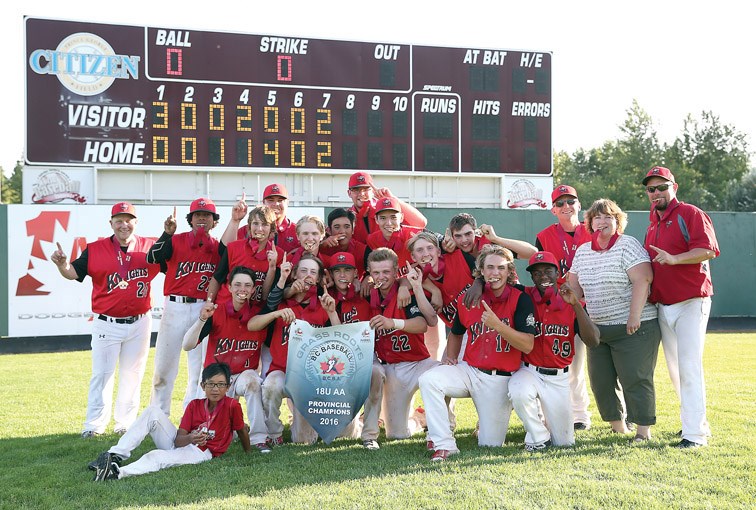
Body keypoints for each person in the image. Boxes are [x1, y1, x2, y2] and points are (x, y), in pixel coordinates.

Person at [51, 202, 160, 438]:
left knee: (133, 374)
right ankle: (93, 425)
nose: (124, 224)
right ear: (110, 223)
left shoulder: (150, 247)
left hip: (140, 321)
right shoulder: (95, 249)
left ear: (136, 222)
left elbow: (173, 266)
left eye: (128, 219)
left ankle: (125, 423)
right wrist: (62, 265)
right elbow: (73, 273)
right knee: (102, 374)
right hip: (107, 322)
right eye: (119, 220)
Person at [419, 244, 536, 461]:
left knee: (490, 444)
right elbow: (456, 331)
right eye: (489, 268)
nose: (495, 273)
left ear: (509, 271)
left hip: (499, 379)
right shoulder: (470, 297)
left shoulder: (521, 298)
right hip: (470, 370)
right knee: (429, 380)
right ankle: (443, 443)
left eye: (500, 268)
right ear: (480, 271)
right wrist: (451, 358)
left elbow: (528, 345)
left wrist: (498, 325)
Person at [568, 199, 661, 442]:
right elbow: (574, 288)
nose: (602, 222)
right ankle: (619, 427)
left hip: (634, 327)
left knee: (635, 378)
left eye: (608, 217)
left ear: (617, 221)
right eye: (596, 218)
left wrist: (634, 316)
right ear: (589, 223)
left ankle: (643, 431)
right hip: (598, 330)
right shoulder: (583, 251)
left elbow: (644, 279)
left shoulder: (627, 245)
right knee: (600, 382)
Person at [642, 165, 720, 448]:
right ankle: (693, 424)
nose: (656, 192)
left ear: (674, 186)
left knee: (688, 366)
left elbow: (709, 250)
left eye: (662, 186)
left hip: (691, 300)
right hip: (664, 304)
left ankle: (695, 435)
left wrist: (675, 259)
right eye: (651, 188)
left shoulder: (690, 213)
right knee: (675, 369)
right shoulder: (653, 221)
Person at [92, 362, 250, 481]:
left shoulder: (231, 405)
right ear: (203, 386)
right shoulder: (194, 405)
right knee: (152, 411)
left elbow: (241, 430)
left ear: (228, 387)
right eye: (211, 384)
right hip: (185, 444)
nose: (216, 389)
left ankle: (117, 473)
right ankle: (114, 455)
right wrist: (190, 438)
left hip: (202, 452)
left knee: (155, 456)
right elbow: (178, 440)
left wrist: (248, 453)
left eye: (221, 385)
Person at [508, 251, 600, 450]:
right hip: (529, 370)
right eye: (537, 272)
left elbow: (593, 340)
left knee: (565, 442)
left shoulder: (571, 301)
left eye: (548, 271)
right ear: (531, 276)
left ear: (557, 273)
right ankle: (538, 436)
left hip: (558, 378)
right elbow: (497, 279)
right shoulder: (524, 296)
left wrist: (576, 305)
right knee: (518, 390)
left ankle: (547, 431)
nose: (543, 277)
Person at [248, 254, 340, 445]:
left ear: (318, 278)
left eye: (313, 272)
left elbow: (340, 339)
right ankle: (274, 434)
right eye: (303, 271)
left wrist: (332, 313)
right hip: (281, 369)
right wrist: (277, 310)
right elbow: (254, 322)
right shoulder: (280, 301)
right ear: (295, 273)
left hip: (311, 374)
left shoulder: (324, 303)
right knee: (271, 386)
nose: (308, 276)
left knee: (304, 441)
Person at [182, 266, 270, 453]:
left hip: (244, 374)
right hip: (218, 378)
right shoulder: (216, 312)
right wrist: (201, 319)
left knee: (253, 383)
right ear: (229, 287)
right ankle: (238, 429)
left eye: (247, 285)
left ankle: (259, 438)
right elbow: (187, 345)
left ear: (254, 289)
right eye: (237, 284)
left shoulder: (259, 315)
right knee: (209, 433)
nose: (242, 289)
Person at [147, 198, 221, 415]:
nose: (201, 218)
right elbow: (152, 258)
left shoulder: (217, 248)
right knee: (163, 369)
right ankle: (159, 417)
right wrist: (167, 234)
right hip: (174, 306)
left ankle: (194, 416)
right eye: (197, 214)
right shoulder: (175, 240)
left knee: (199, 371)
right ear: (190, 218)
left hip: (202, 309)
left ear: (213, 221)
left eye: (206, 215)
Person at [362, 248, 439, 450]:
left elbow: (423, 324)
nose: (381, 277)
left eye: (386, 272)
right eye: (376, 272)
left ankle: (441, 425)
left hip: (418, 363)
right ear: (369, 273)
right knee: (396, 434)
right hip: (391, 368)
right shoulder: (367, 295)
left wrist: (393, 322)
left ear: (396, 271)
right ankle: (417, 421)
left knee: (444, 376)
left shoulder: (406, 292)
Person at [535, 185, 593, 431]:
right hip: (563, 305)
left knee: (602, 363)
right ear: (553, 210)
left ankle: (611, 413)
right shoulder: (544, 236)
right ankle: (578, 416)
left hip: (596, 302)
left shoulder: (593, 229)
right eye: (560, 203)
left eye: (571, 201)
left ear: (579, 205)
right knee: (573, 363)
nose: (566, 206)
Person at [208, 205, 283, 306]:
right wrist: (209, 304)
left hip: (253, 312)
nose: (259, 229)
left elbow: (265, 296)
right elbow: (217, 278)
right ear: (249, 226)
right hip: (225, 307)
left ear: (272, 228)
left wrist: (272, 267)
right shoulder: (233, 247)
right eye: (255, 223)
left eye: (265, 224)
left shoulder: (278, 254)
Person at [347, 171, 427, 244]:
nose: (361, 193)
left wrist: (392, 199)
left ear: (372, 191)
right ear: (349, 193)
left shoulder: (384, 209)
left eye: (366, 189)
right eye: (356, 190)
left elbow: (420, 223)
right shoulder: (347, 217)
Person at [320, 208, 368, 278]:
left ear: (353, 230)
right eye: (337, 227)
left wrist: (368, 276)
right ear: (329, 231)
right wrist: (320, 247)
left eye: (347, 227)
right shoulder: (321, 248)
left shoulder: (363, 250)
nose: (342, 231)